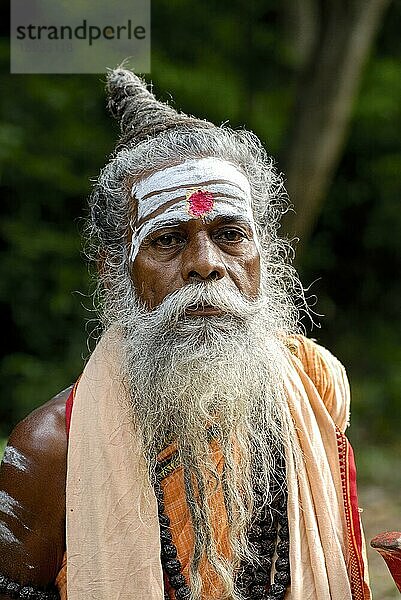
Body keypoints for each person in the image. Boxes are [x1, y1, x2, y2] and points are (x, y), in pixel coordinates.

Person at [0, 67, 371, 600]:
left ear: (263, 254)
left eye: (229, 235)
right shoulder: (51, 450)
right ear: (114, 272)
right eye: (169, 240)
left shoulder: (313, 389)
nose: (205, 265)